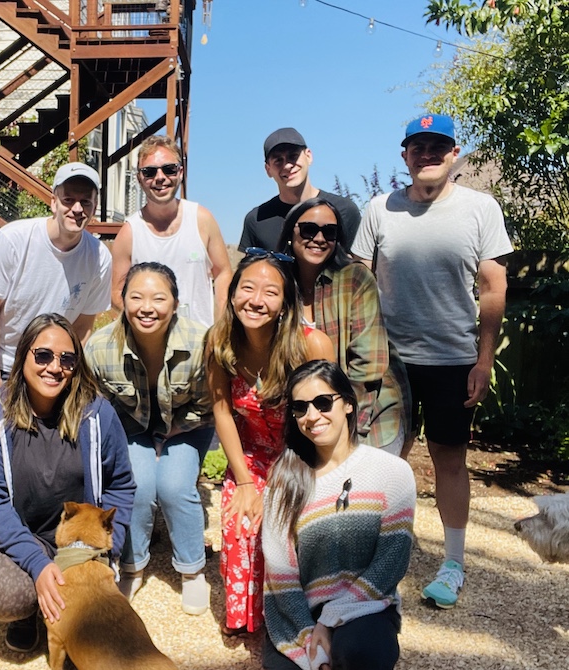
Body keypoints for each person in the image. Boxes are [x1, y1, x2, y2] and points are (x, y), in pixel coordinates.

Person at [351, 113, 512, 609]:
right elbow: (358, 283)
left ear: (454, 153)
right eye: (417, 147)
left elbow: (493, 289)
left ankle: (453, 563)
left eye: (437, 146)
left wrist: (484, 360)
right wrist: (359, 355)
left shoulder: (480, 209)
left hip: (452, 359)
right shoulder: (380, 208)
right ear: (404, 155)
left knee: (448, 459)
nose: (427, 154)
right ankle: (378, 557)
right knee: (383, 461)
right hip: (389, 363)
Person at [0, 313, 135, 653]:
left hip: (78, 540)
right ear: (22, 357)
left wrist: (106, 549)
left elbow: (121, 485)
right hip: (21, 536)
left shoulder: (97, 415)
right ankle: (27, 615)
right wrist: (38, 564)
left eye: (67, 359)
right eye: (42, 355)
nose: (54, 367)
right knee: (10, 598)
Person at [206, 251, 335, 635]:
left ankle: (296, 618)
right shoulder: (220, 341)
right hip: (249, 458)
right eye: (247, 288)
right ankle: (248, 618)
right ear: (232, 295)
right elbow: (222, 411)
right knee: (241, 522)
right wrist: (245, 482)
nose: (256, 300)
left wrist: (294, 480)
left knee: (286, 530)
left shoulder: (311, 345)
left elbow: (328, 420)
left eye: (270, 292)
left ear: (285, 304)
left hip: (302, 458)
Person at [262, 360, 416, 670]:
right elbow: (280, 573)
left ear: (347, 403)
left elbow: (391, 562)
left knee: (360, 653)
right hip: (298, 616)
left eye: (322, 402)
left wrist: (332, 619)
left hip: (366, 607)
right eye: (300, 407)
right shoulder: (284, 481)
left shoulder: (391, 472)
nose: (312, 415)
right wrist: (311, 640)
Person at [86, 262, 213, 615]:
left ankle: (192, 571)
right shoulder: (99, 348)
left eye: (159, 298)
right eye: (136, 296)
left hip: (189, 426)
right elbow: (97, 409)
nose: (147, 307)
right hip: (131, 428)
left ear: (174, 303)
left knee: (174, 486)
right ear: (122, 300)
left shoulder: (201, 343)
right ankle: (132, 564)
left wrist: (168, 437)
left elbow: (208, 406)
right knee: (137, 486)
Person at [0, 162, 112, 411]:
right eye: (68, 200)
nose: (77, 209)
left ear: (94, 206)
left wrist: (67, 368)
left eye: (85, 202)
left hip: (48, 364)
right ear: (54, 202)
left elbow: (84, 325)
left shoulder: (99, 257)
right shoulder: (13, 239)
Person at [278, 197, 410, 454]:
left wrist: (342, 425)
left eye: (329, 231)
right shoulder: (280, 284)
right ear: (290, 232)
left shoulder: (355, 278)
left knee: (365, 492)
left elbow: (369, 365)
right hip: (309, 418)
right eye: (308, 229)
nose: (319, 237)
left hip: (367, 414)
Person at [110, 136, 232, 327]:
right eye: (149, 172)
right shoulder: (130, 233)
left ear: (180, 172)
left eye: (169, 169)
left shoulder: (201, 219)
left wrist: (220, 326)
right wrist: (146, 325)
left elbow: (223, 273)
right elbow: (116, 293)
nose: (160, 177)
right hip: (148, 350)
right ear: (140, 179)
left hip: (200, 345)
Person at [239, 127, 361, 255]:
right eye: (278, 160)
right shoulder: (257, 220)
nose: (287, 165)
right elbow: (249, 271)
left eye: (293, 156)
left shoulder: (344, 211)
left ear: (309, 156)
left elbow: (358, 269)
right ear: (268, 169)